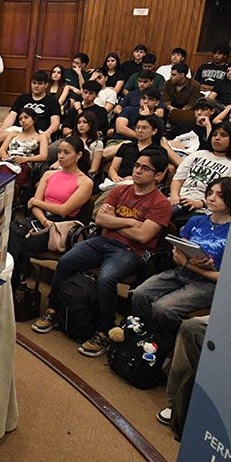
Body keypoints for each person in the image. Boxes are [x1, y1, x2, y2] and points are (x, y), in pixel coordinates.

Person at [35, 150, 171, 356]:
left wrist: (114, 222)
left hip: (130, 251)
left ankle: (104, 331)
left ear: (158, 176)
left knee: (106, 278)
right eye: (137, 166)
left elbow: (143, 236)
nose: (138, 170)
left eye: (145, 168)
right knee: (66, 261)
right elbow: (100, 220)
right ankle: (54, 310)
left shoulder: (161, 203)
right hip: (103, 240)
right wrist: (129, 222)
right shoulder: (119, 191)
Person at [132, 177, 231, 362]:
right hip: (181, 272)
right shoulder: (196, 220)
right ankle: (152, 337)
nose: (212, 198)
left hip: (206, 283)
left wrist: (190, 264)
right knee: (140, 294)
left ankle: (167, 344)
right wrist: (185, 261)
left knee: (162, 308)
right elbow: (177, 254)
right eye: (210, 193)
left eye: (220, 196)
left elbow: (225, 278)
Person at [7, 136, 94, 284]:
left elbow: (63, 210)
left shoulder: (85, 181)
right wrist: (44, 220)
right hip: (40, 220)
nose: (60, 156)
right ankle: (14, 283)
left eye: (66, 152)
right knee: (9, 232)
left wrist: (37, 202)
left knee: (13, 237)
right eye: (59, 151)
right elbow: (33, 206)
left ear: (79, 155)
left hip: (60, 227)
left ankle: (11, 284)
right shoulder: (49, 174)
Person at [169, 122, 231, 222]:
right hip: (179, 201)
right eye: (214, 134)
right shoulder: (198, 154)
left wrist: (200, 203)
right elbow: (178, 179)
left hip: (205, 209)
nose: (217, 138)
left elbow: (228, 194)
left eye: (223, 135)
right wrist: (174, 196)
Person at [0, 70, 61, 142]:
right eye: (34, 83)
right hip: (19, 129)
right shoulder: (22, 98)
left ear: (46, 85)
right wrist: (0, 131)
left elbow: (55, 122)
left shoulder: (52, 101)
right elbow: (11, 116)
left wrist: (48, 132)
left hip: (39, 132)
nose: (36, 86)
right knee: (0, 138)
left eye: (40, 84)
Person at [0, 107, 48, 186]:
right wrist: (6, 157)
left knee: (7, 176)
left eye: (26, 117)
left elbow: (43, 156)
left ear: (34, 119)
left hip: (25, 164)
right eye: (20, 119)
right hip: (8, 161)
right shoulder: (14, 133)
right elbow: (2, 150)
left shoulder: (41, 136)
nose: (23, 121)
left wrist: (25, 159)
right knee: (3, 169)